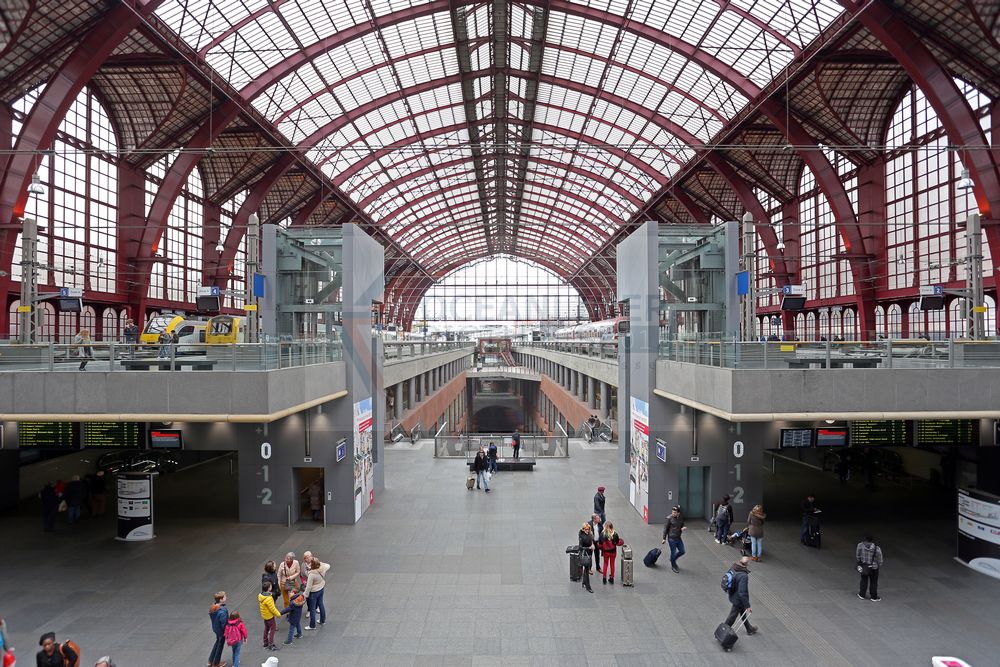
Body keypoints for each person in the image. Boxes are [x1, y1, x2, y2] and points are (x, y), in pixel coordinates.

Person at [724, 556, 759, 635]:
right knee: (732, 616)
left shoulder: (733, 568)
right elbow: (742, 592)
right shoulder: (743, 576)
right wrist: (748, 606)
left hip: (732, 594)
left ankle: (749, 628)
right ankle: (723, 631)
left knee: (742, 611)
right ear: (747, 564)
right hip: (738, 599)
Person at [856, 535, 883, 601]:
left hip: (864, 566)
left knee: (863, 580)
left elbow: (857, 555)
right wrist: (879, 564)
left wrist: (860, 561)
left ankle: (862, 595)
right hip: (874, 567)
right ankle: (873, 597)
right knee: (874, 582)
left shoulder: (860, 545)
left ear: (865, 539)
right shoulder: (877, 548)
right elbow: (880, 559)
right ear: (872, 540)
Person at [302, 558, 328, 630]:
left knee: (312, 608)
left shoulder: (312, 574)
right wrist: (321, 564)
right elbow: (328, 565)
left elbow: (308, 587)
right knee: (321, 604)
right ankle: (322, 620)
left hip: (313, 592)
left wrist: (305, 595)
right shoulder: (322, 568)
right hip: (321, 588)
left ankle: (312, 625)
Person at [660, 505, 687, 573]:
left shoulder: (681, 517)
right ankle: (673, 566)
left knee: (682, 551)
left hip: (678, 537)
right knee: (673, 552)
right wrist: (664, 538)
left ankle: (672, 559)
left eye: (675, 512)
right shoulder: (669, 518)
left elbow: (682, 524)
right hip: (672, 539)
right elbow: (665, 529)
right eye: (672, 512)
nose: (673, 513)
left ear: (678, 513)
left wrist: (682, 528)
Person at [208, 591, 230, 667]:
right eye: (224, 596)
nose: (226, 597)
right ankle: (216, 663)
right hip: (221, 631)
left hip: (216, 628)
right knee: (220, 645)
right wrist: (227, 632)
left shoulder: (213, 607)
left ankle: (210, 661)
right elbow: (224, 623)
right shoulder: (223, 611)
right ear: (221, 600)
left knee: (217, 642)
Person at [258, 581, 281, 652]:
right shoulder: (269, 598)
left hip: (265, 615)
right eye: (270, 586)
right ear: (269, 588)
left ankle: (265, 642)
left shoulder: (261, 595)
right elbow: (272, 608)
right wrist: (278, 614)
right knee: (272, 629)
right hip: (269, 616)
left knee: (266, 629)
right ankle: (271, 644)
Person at [578, 522, 595, 593]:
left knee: (586, 569)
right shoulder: (581, 536)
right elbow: (580, 547)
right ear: (583, 529)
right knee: (587, 569)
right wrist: (589, 547)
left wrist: (592, 545)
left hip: (589, 553)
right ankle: (588, 586)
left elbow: (591, 541)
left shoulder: (590, 534)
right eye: (585, 529)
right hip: (585, 554)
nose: (587, 530)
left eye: (588, 529)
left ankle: (584, 582)